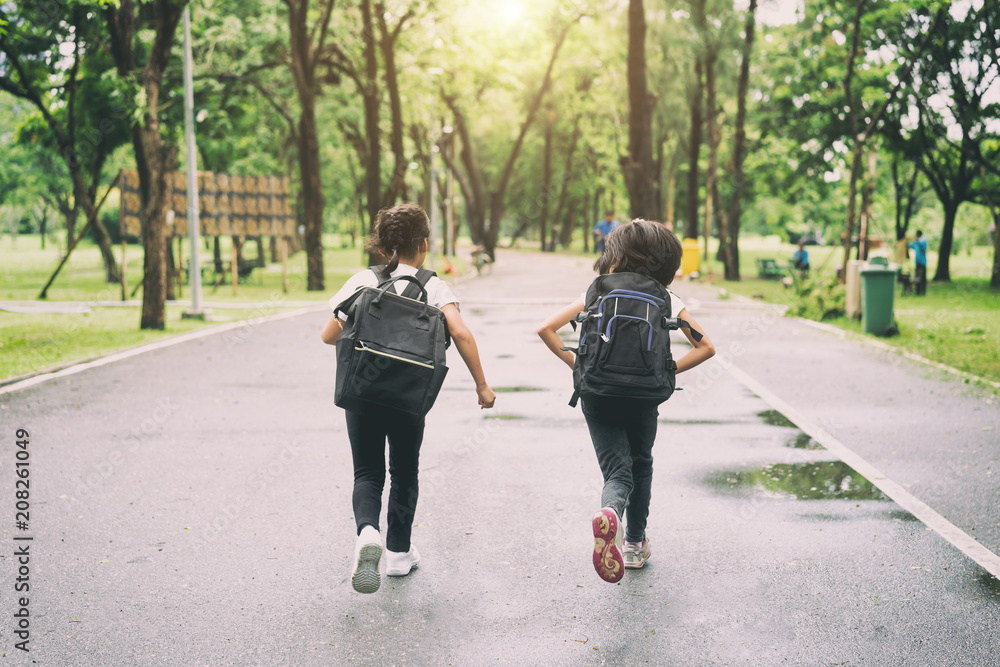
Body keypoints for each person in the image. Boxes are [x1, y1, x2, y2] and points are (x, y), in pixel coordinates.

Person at [321, 203, 497, 594]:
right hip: (407, 397)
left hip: (362, 393)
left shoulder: (362, 280)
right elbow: (462, 333)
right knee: (403, 472)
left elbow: (328, 335)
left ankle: (368, 533)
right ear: (423, 244)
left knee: (367, 472)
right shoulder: (434, 286)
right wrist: (481, 385)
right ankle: (399, 555)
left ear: (383, 246)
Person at [536, 220, 715, 582]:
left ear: (614, 257)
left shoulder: (597, 292)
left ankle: (611, 513)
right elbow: (706, 347)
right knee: (641, 464)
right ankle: (634, 544)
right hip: (644, 396)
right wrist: (666, 372)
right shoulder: (667, 300)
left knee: (617, 470)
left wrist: (578, 364)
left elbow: (546, 329)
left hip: (597, 393)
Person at [909, 230, 928, 296]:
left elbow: (922, 244)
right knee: (917, 277)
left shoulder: (923, 240)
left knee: (922, 278)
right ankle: (917, 291)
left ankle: (923, 292)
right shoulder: (916, 242)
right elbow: (910, 245)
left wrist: (917, 240)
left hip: (923, 262)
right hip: (917, 262)